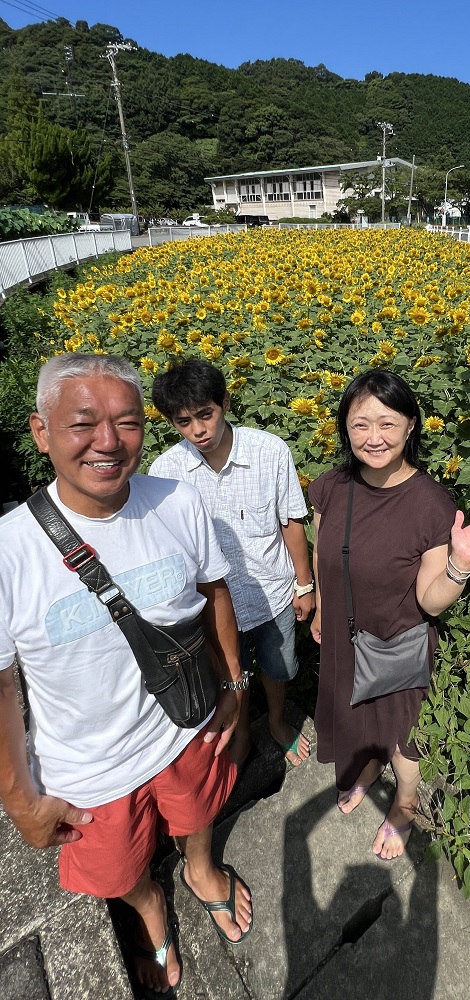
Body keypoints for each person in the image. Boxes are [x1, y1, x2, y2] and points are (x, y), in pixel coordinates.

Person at [0, 354, 253, 1000]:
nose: (109, 443)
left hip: (187, 726)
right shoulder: (9, 550)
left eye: (129, 422)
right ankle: (148, 906)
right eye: (83, 423)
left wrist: (234, 687)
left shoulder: (176, 499)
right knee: (116, 873)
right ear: (40, 431)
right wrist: (21, 799)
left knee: (200, 811)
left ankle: (200, 868)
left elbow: (214, 592)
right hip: (89, 771)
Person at [309, 370, 470, 860]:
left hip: (397, 640)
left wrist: (461, 563)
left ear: (411, 426)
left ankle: (406, 802)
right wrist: (320, 604)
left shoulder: (429, 504)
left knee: (402, 735)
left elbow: (431, 601)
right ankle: (367, 765)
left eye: (386, 423)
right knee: (352, 710)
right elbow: (321, 550)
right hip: (344, 629)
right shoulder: (332, 486)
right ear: (344, 428)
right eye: (360, 425)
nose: (373, 437)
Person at [150, 359, 314, 768]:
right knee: (229, 674)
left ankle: (275, 721)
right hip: (211, 607)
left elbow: (290, 523)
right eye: (184, 422)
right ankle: (241, 731)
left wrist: (305, 584)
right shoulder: (165, 473)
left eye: (206, 415)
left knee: (279, 666)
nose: (198, 430)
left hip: (272, 592)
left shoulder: (269, 451)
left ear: (224, 402)